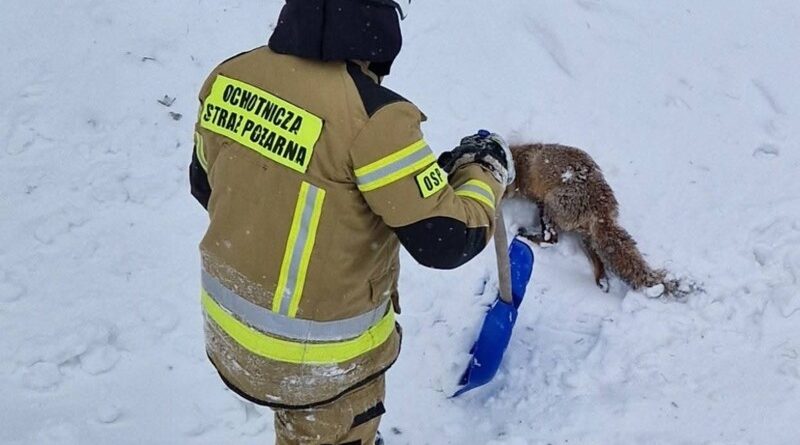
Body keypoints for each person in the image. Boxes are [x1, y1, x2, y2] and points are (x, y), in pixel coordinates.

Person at [189, 0, 514, 443]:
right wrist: (483, 173)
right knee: (332, 432)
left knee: (298, 418)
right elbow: (449, 238)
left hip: (230, 331)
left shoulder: (231, 77)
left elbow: (206, 185)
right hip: (321, 367)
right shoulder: (375, 119)